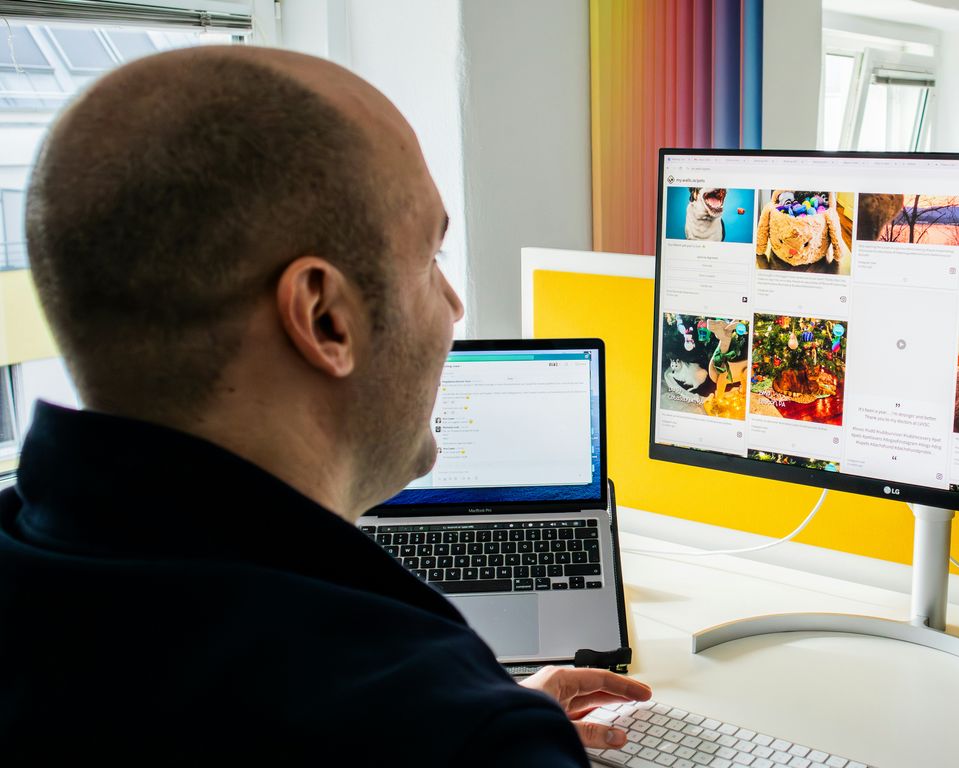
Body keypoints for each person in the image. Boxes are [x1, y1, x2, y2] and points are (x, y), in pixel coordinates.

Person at [0, 47, 648, 762]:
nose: (455, 307)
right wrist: (492, 732)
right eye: (430, 260)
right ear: (326, 319)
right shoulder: (428, 726)